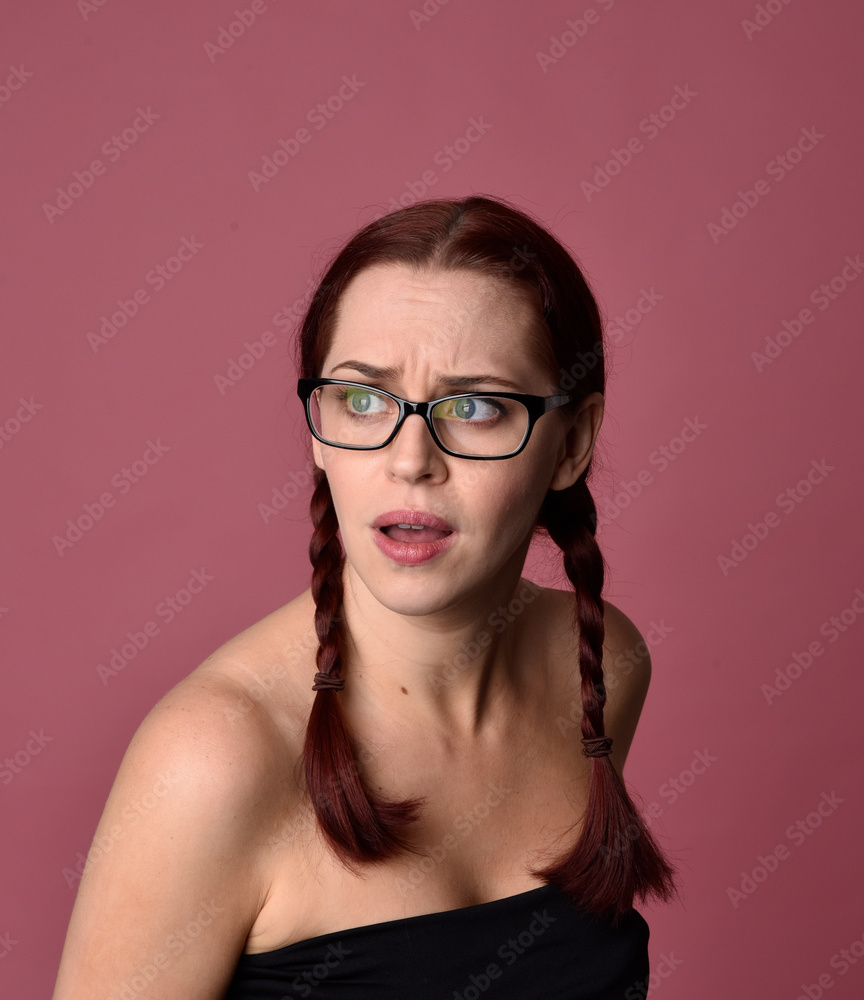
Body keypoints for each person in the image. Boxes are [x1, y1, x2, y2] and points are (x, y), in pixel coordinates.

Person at [51, 194, 678, 1000]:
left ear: (573, 444)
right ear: (317, 428)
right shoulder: (213, 759)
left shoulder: (598, 670)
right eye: (362, 399)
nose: (410, 459)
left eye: (476, 406)